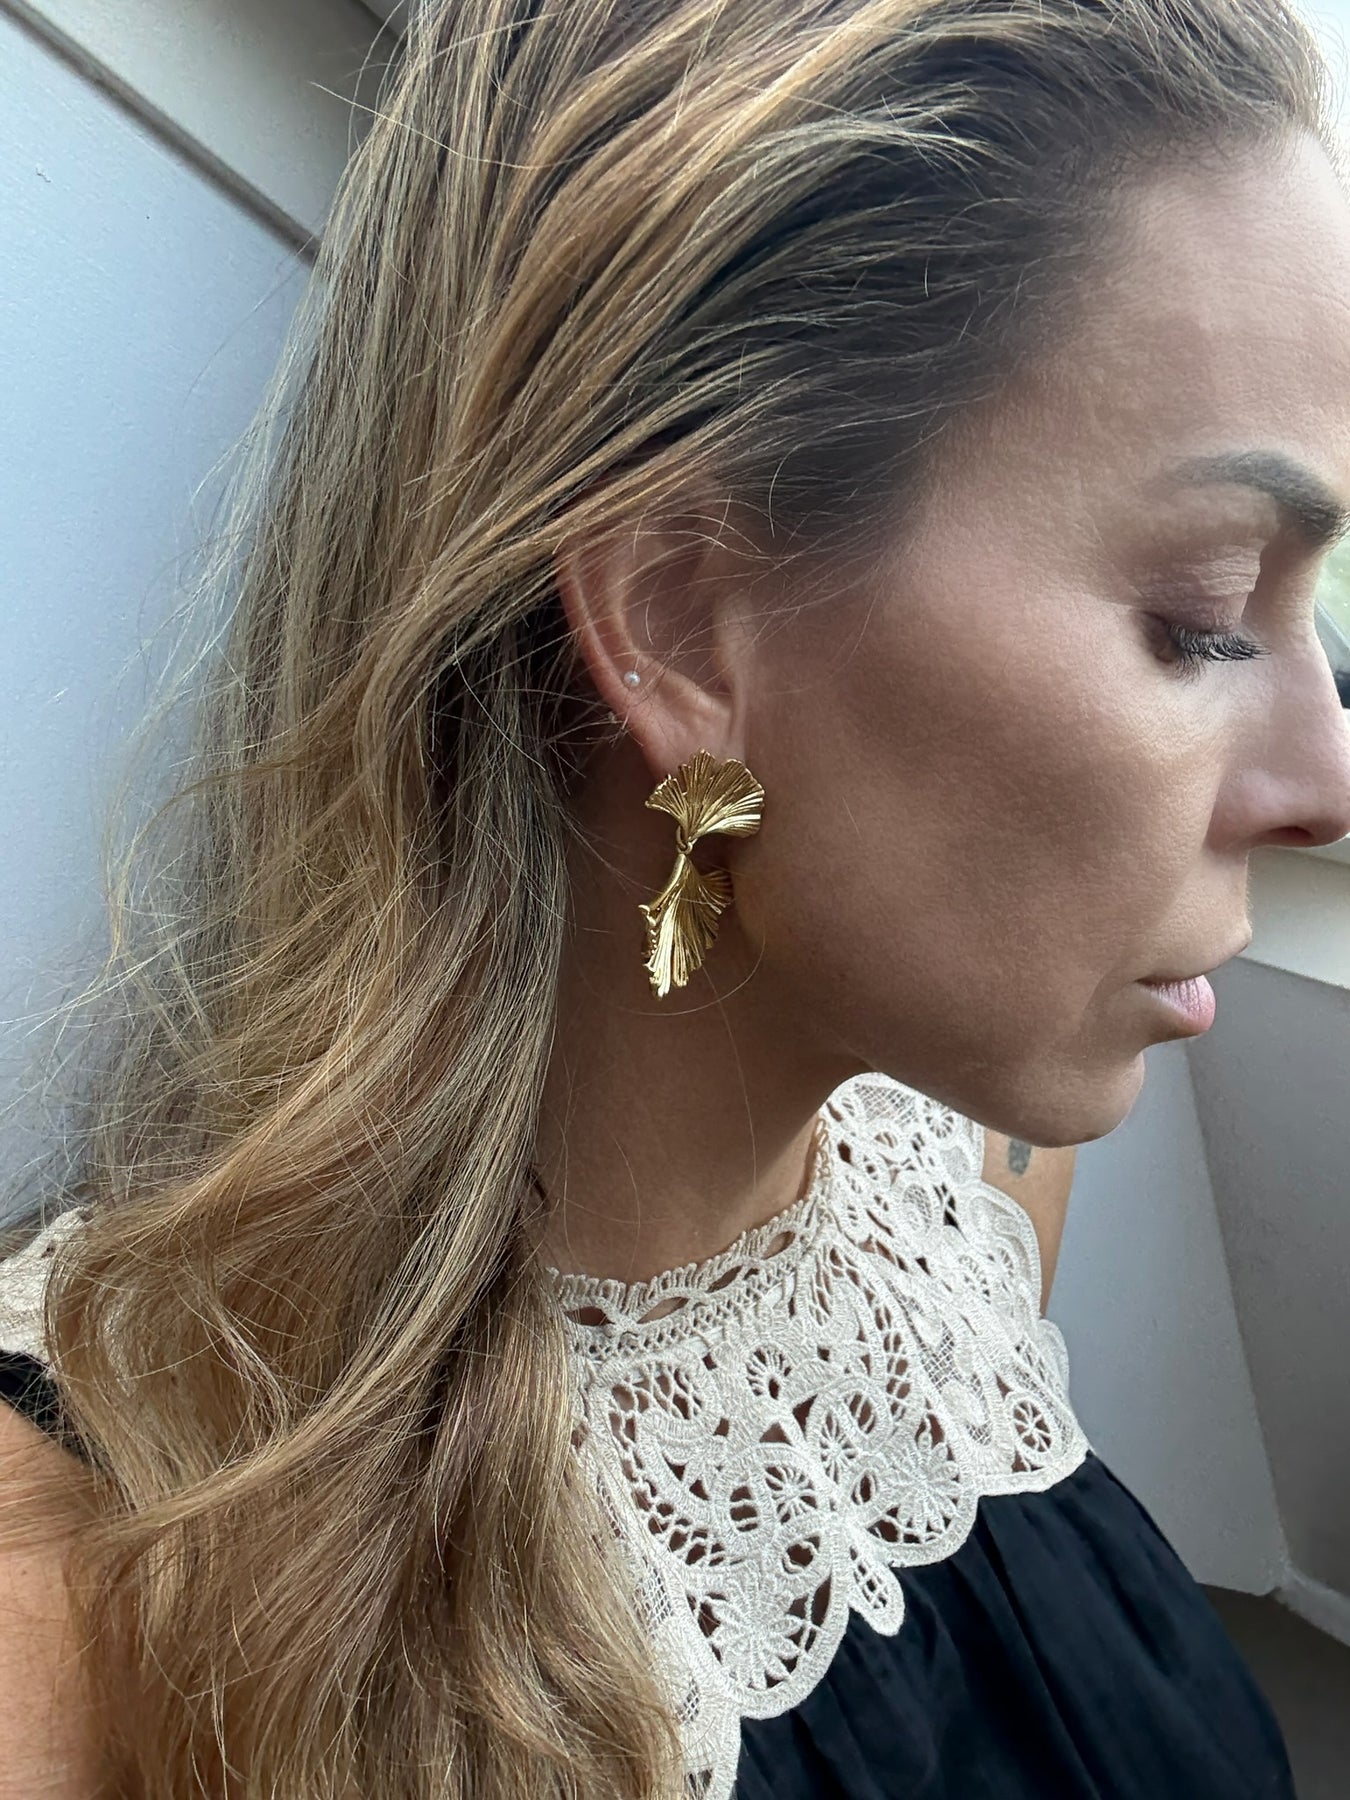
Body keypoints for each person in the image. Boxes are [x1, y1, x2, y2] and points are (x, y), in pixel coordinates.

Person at [1, 0, 1349, 1794]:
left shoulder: (960, 1192)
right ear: (680, 624)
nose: (1328, 782)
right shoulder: (83, 1613)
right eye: (1202, 616)